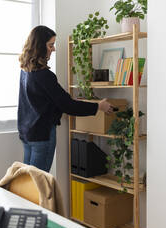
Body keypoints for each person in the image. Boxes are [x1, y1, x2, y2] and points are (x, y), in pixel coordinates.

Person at [18, 25, 113, 172]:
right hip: (42, 135)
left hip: (27, 133)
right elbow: (68, 105)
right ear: (39, 46)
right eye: (50, 45)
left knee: (26, 182)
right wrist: (98, 106)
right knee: (38, 185)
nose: (53, 49)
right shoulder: (44, 75)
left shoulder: (26, 71)